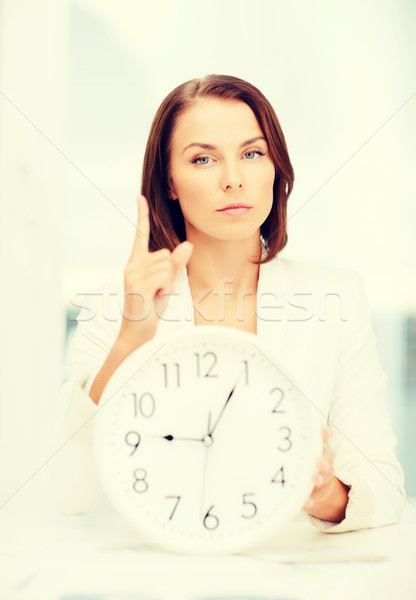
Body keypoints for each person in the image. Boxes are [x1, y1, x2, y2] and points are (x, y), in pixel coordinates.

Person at [44, 74, 405, 533]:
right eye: (203, 159)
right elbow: (66, 492)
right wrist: (132, 337)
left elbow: (385, 488)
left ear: (276, 168)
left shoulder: (334, 298)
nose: (233, 179)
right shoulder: (115, 306)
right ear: (169, 182)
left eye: (252, 154)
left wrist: (323, 492)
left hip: (289, 573)